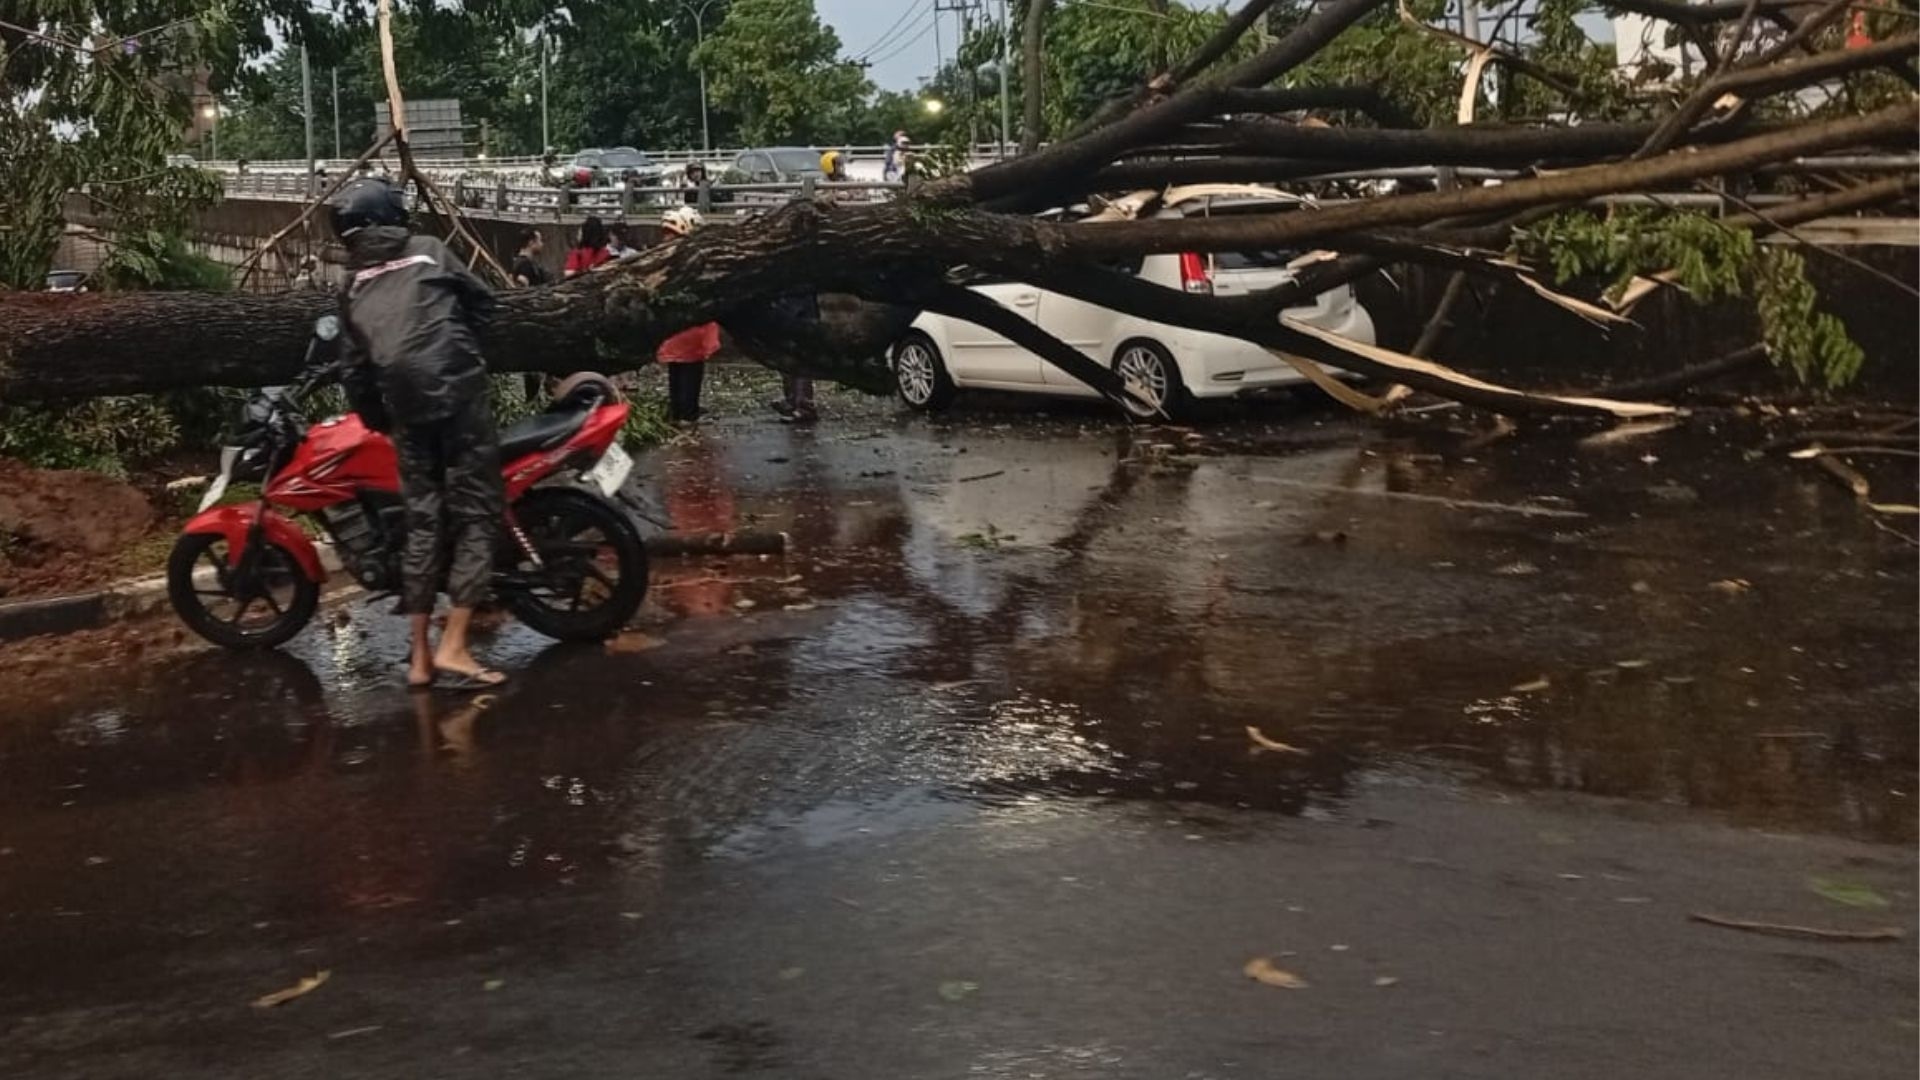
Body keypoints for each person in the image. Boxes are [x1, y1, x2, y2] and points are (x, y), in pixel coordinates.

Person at [327, 176, 507, 691]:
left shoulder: (350, 285)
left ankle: (421, 660)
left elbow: (354, 371)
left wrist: (379, 420)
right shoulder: (429, 251)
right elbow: (484, 303)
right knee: (476, 513)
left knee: (422, 522)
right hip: (459, 397)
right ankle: (455, 646)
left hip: (405, 411)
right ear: (393, 216)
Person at [655, 206, 720, 423]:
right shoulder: (690, 258)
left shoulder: (661, 256)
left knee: (676, 368)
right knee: (691, 369)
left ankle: (677, 411)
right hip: (691, 323)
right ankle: (688, 412)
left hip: (672, 322)